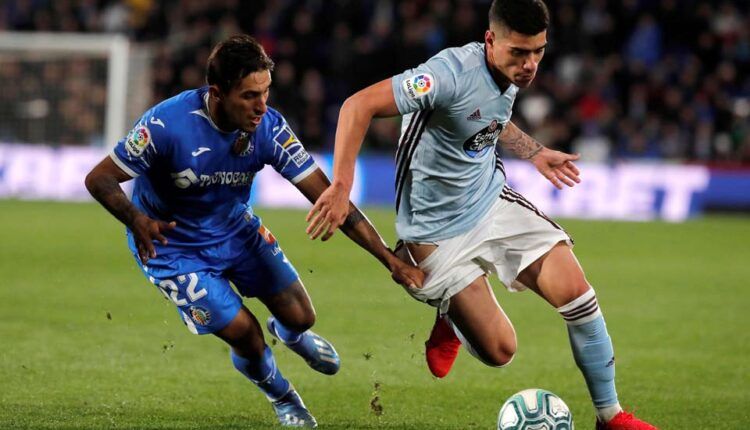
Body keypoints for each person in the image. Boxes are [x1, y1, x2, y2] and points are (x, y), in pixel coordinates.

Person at [306, 1, 657, 429]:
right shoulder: (445, 75)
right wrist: (341, 185)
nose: (529, 65)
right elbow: (356, 107)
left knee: (579, 295)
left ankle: (610, 416)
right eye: (519, 53)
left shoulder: (507, 73)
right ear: (490, 41)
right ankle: (451, 321)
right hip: (434, 231)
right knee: (500, 351)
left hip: (490, 201)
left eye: (538, 52)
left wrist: (535, 151)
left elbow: (488, 117)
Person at [85, 35, 422, 428]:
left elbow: (331, 198)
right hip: (171, 246)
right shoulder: (165, 126)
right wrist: (136, 219)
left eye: (265, 92)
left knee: (301, 316)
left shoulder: (269, 129)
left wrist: (389, 261)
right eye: (249, 96)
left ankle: (292, 334)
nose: (261, 106)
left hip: (234, 229)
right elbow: (99, 179)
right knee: (246, 335)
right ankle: (283, 396)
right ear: (217, 92)